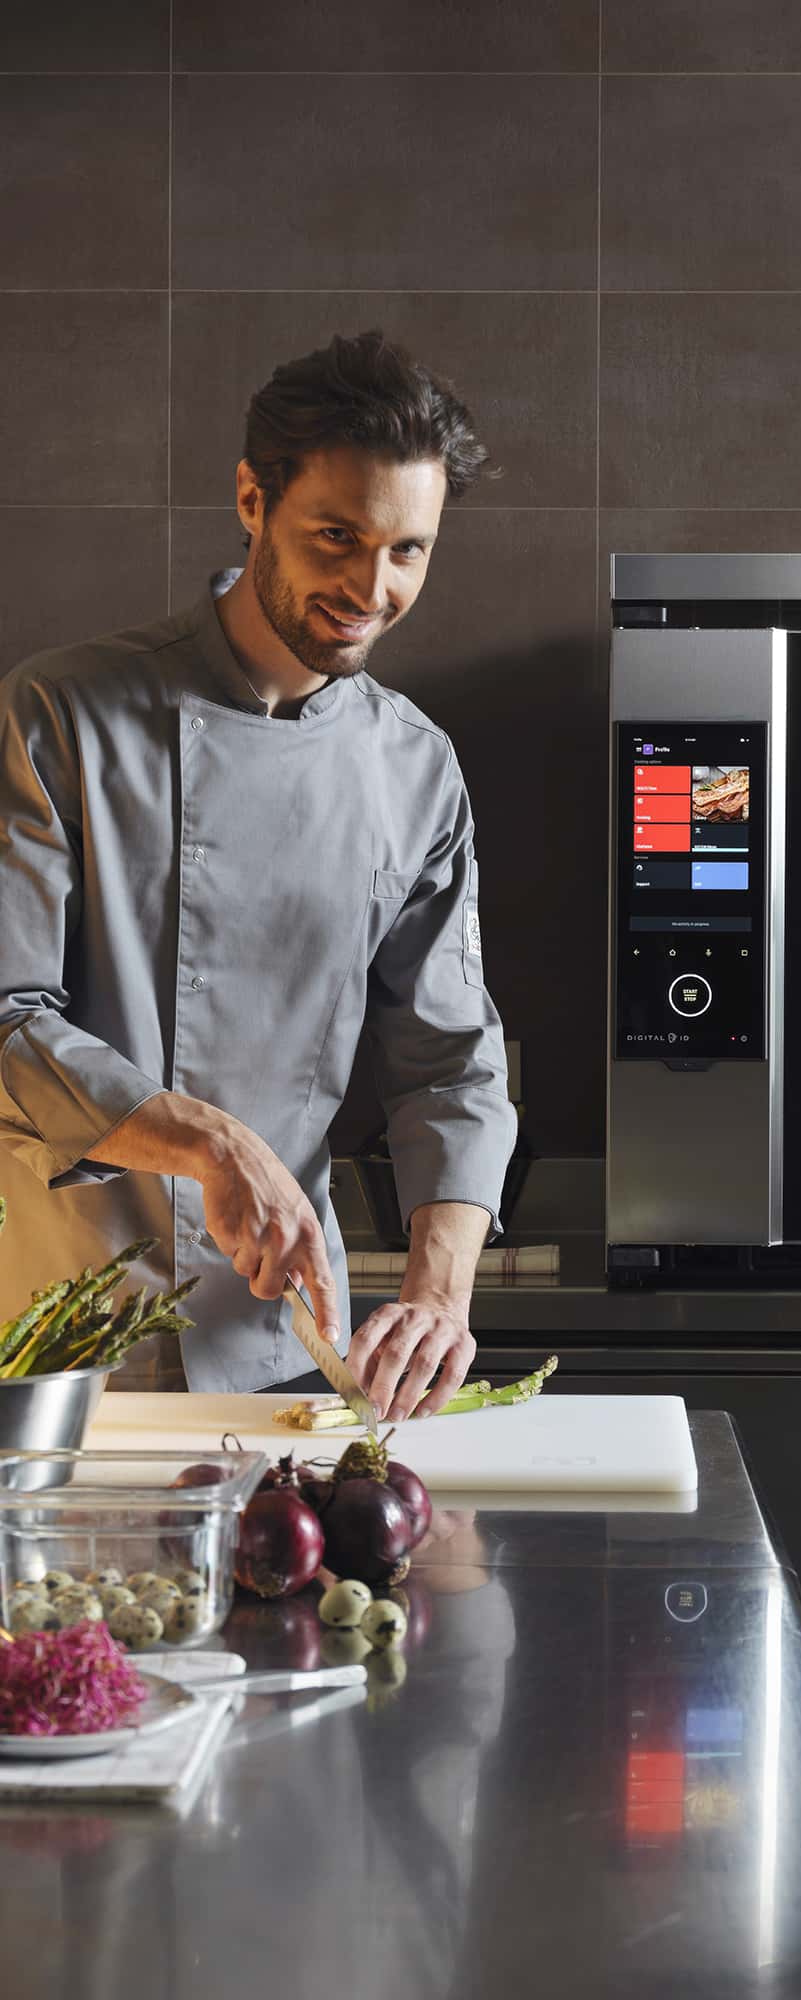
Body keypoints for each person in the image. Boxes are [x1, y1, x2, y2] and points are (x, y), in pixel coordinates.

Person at [0, 330, 517, 1414]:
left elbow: (451, 1065)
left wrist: (437, 1293)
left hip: (282, 1357)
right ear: (252, 499)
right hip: (52, 1347)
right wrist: (212, 1140)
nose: (370, 586)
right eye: (337, 536)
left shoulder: (413, 768)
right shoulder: (57, 715)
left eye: (408, 550)